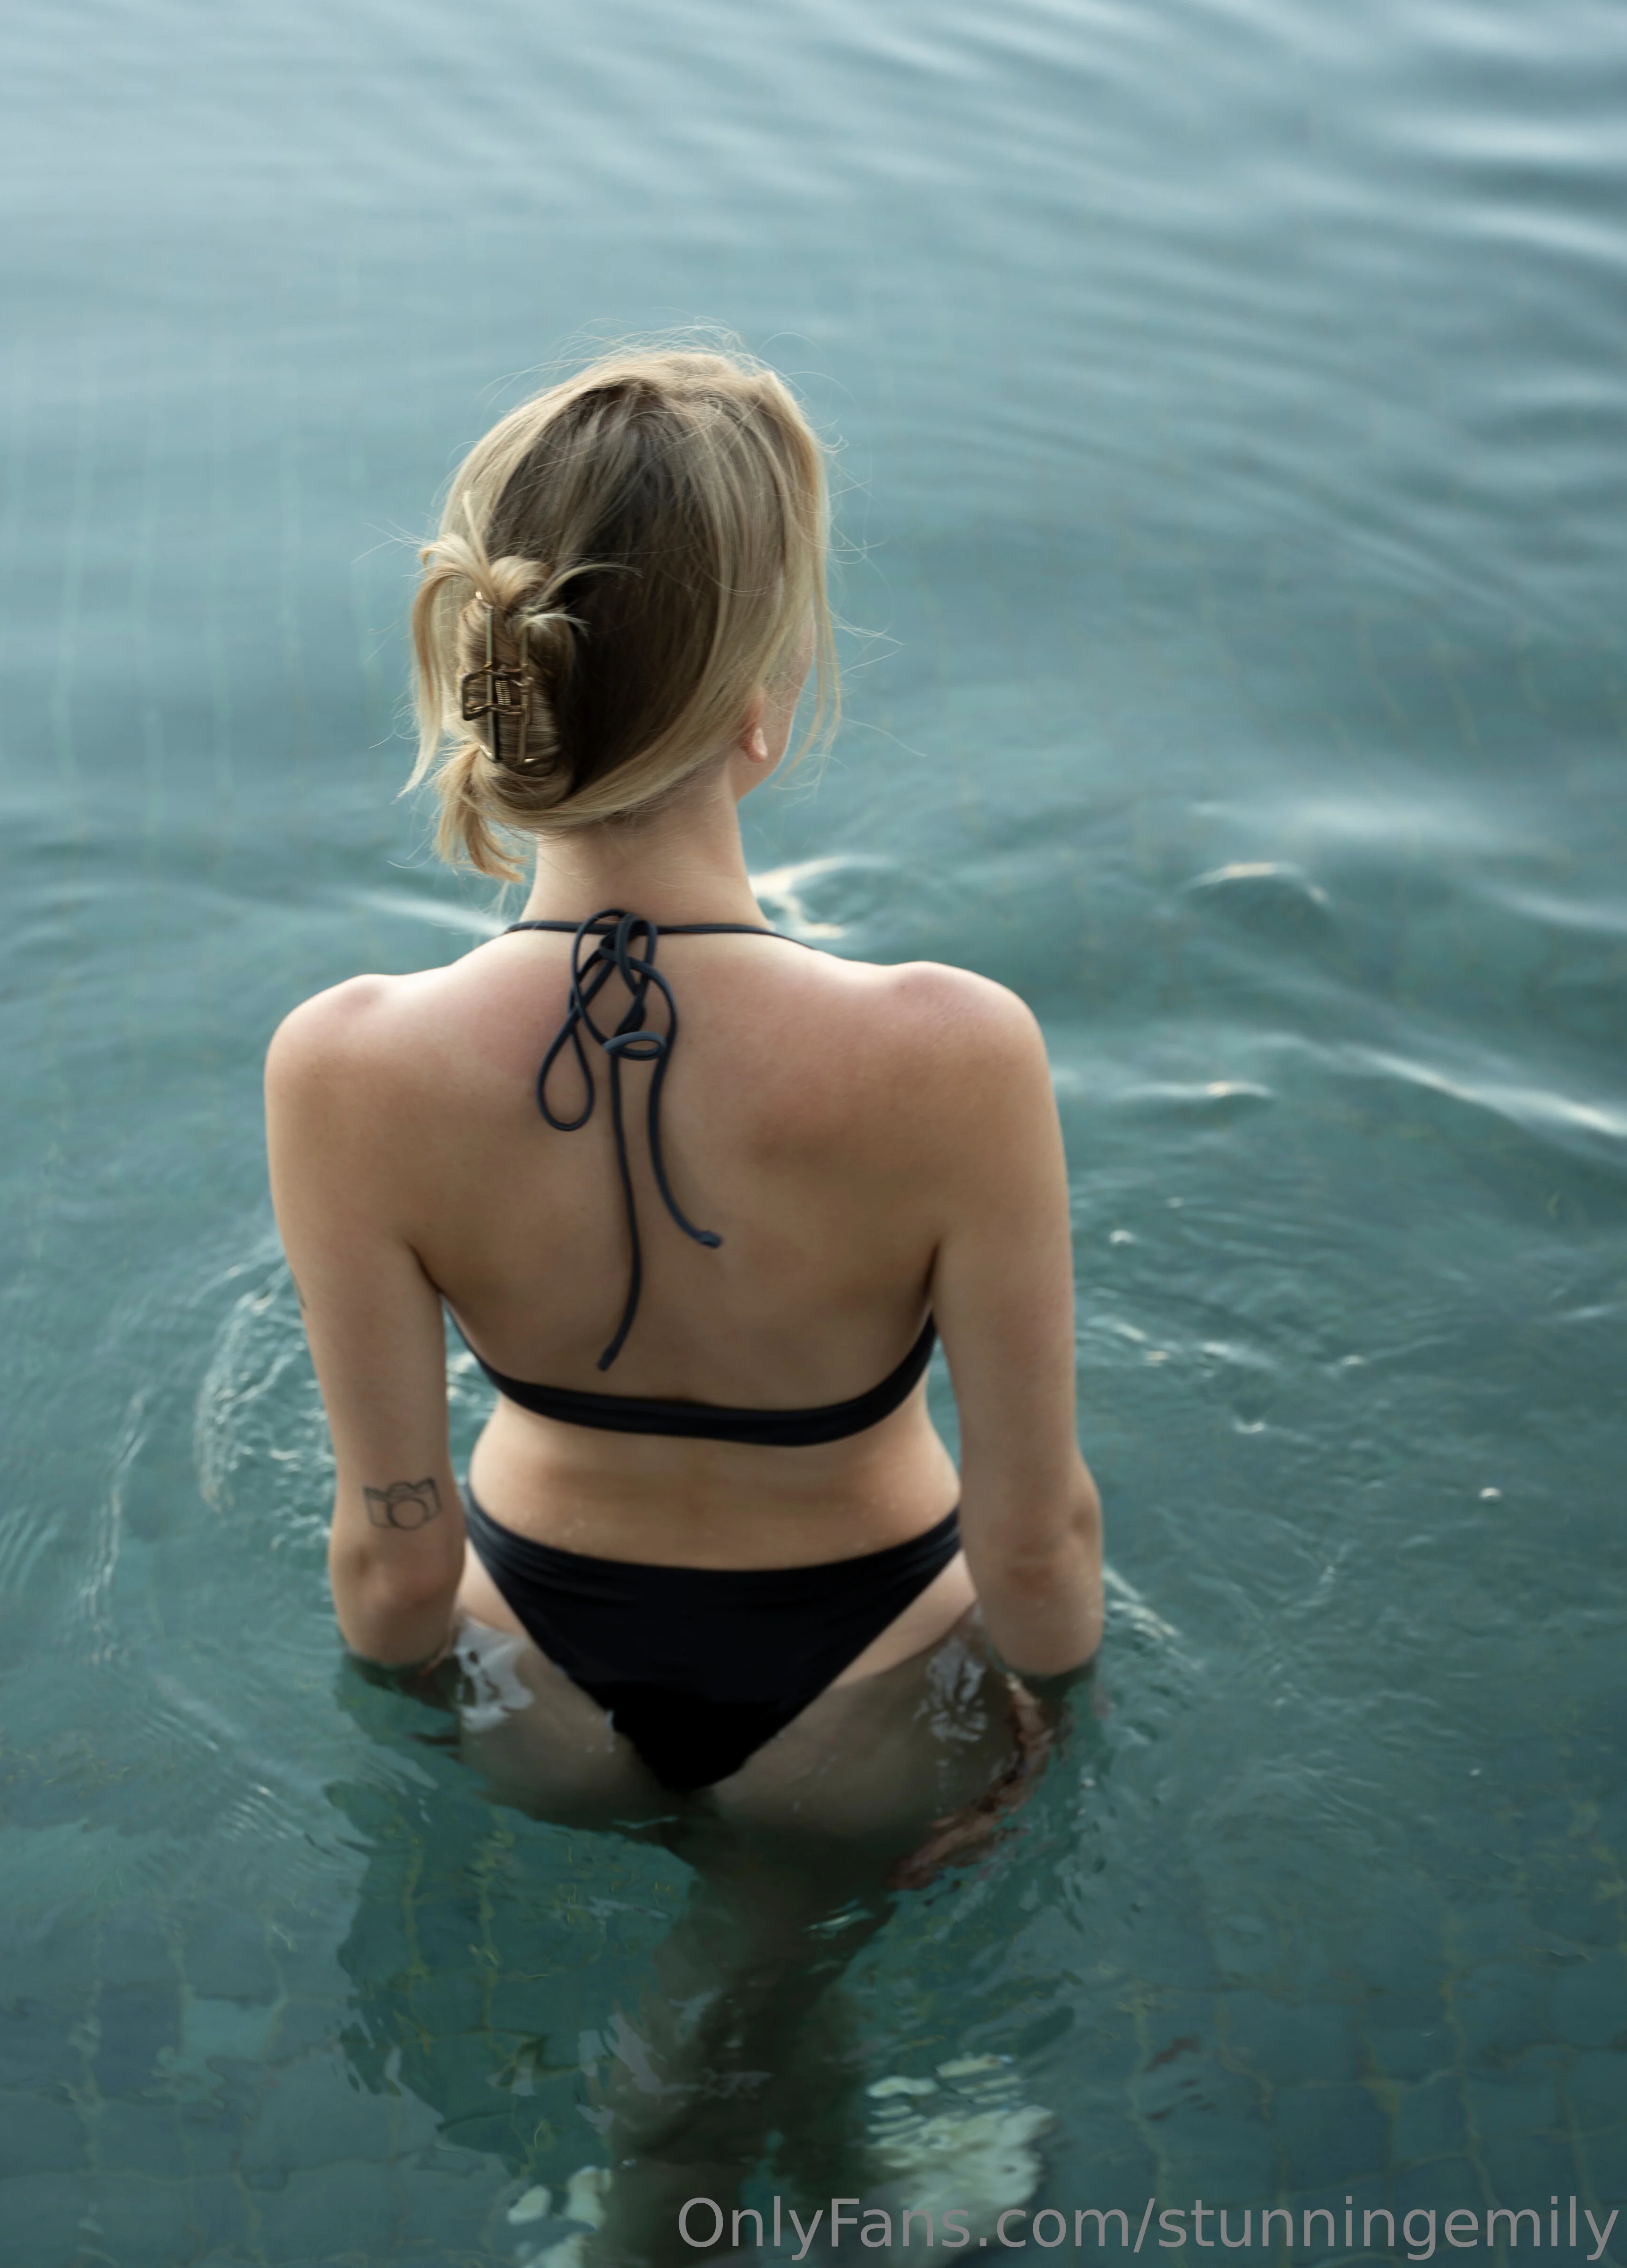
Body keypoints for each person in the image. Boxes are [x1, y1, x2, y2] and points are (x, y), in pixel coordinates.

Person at [265, 343, 1104, 2251]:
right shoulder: (954, 1051)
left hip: (539, 1696)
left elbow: (389, 1572)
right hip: (878, 1695)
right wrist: (1040, 1725)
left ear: (497, 692)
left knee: (753, 2015)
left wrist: (464, 1697)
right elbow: (1040, 1535)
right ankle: (684, 2133)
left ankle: (821, 2168)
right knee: (746, 1981)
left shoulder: (346, 1062)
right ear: (765, 711)